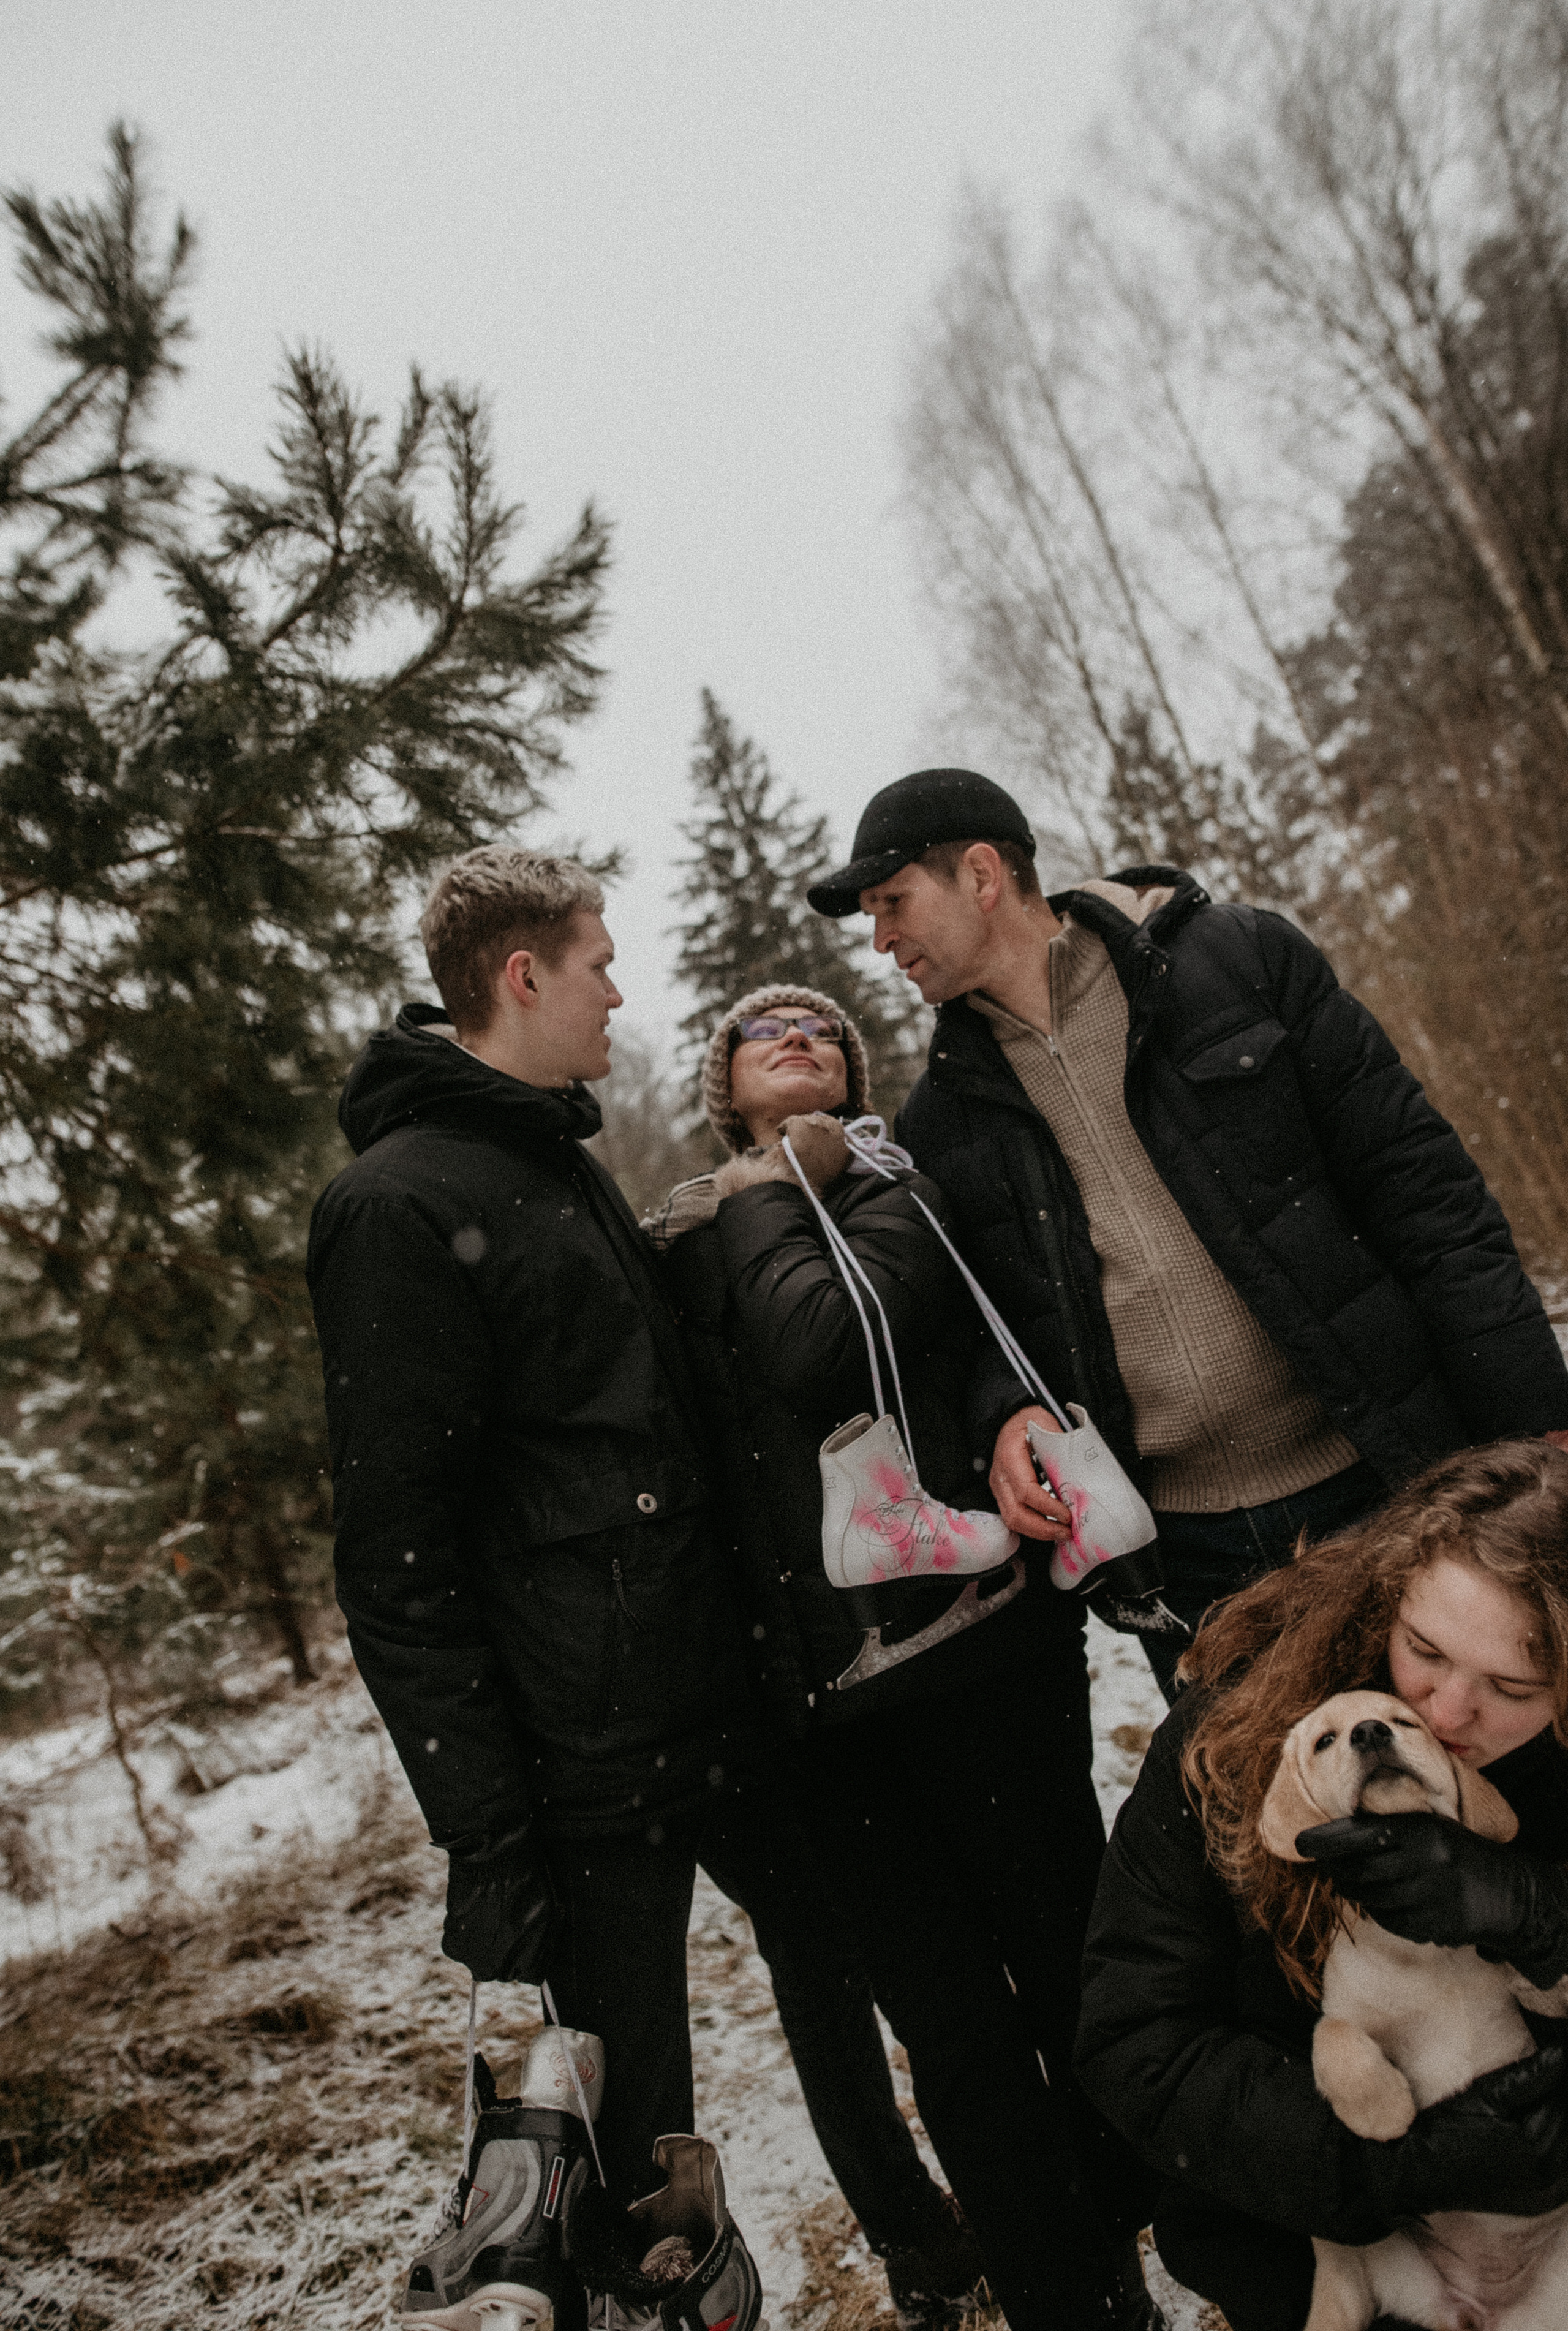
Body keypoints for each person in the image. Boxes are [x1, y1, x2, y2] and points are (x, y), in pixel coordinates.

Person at [308, 850, 946, 2331]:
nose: (619, 987)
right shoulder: (396, 1204)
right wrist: (489, 1841)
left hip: (720, 1706)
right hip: (589, 1771)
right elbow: (396, 1562)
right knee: (628, 2166)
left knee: (867, 1965)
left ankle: (933, 2240)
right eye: (598, 960)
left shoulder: (553, 1161)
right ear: (521, 976)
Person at [806, 768, 1568, 1696]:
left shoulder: (1239, 964)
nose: (882, 940)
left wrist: (1536, 1423)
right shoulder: (942, 1117)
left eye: (894, 902)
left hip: (1387, 1485)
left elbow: (1424, 1197)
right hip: (1182, 1557)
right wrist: (1006, 1413)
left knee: (1465, 1777)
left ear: (980, 875)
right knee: (1267, 1830)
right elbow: (982, 1328)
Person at [649, 981, 1164, 2331]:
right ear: (721, 1086)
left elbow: (829, 1346)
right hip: (823, 1716)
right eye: (762, 1031)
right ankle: (1065, 2297)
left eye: (820, 1029)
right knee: (951, 2026)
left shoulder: (897, 1185)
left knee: (1065, 1959)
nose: (796, 1037)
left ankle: (1128, 2236)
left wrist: (779, 1181)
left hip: (984, 1654)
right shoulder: (679, 1243)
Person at [1072, 1438, 1568, 2331]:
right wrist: (1393, 2167)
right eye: (1425, 1649)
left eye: (1514, 1686)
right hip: (1308, 2238)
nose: (1450, 1712)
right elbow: (1136, 2042)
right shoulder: (1236, 1735)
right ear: (1389, 1598)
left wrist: (1537, 1912)